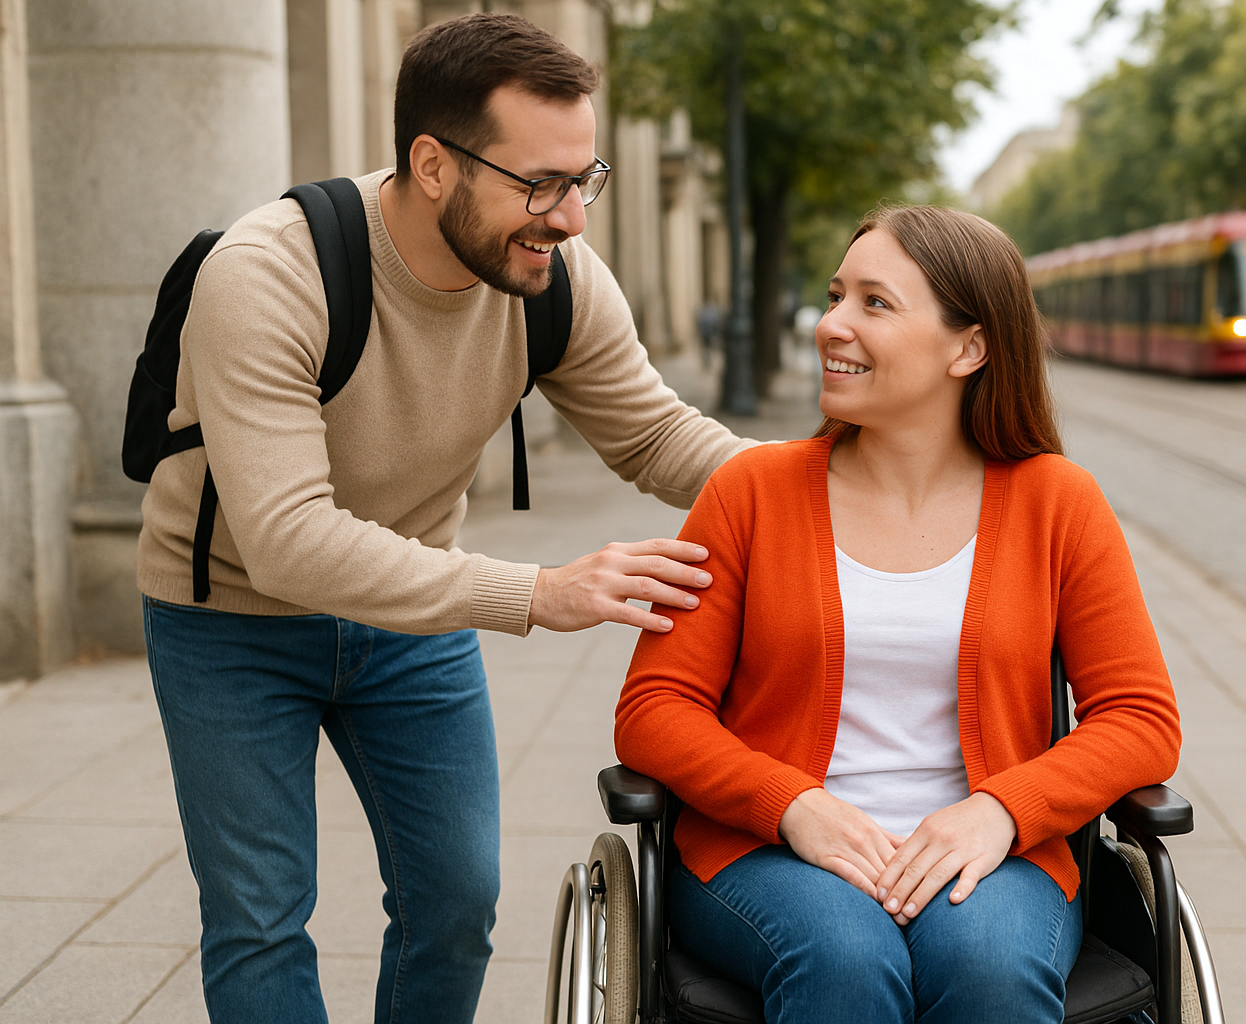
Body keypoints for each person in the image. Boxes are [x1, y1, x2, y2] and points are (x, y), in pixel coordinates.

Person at [137, 14, 750, 1024]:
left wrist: (839, 484)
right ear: (433, 164)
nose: (571, 218)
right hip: (230, 618)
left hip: (407, 619)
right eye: (539, 184)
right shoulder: (265, 273)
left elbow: (656, 437)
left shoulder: (550, 278)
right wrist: (538, 592)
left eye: (583, 178)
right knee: (259, 915)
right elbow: (290, 540)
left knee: (458, 899)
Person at [615, 206, 1181, 1023]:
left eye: (874, 304)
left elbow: (1141, 719)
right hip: (767, 852)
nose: (830, 324)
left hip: (991, 857)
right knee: (844, 959)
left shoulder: (1059, 503)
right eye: (836, 295)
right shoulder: (749, 493)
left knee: (991, 966)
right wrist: (791, 805)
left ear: (969, 347)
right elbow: (653, 711)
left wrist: (1001, 811)